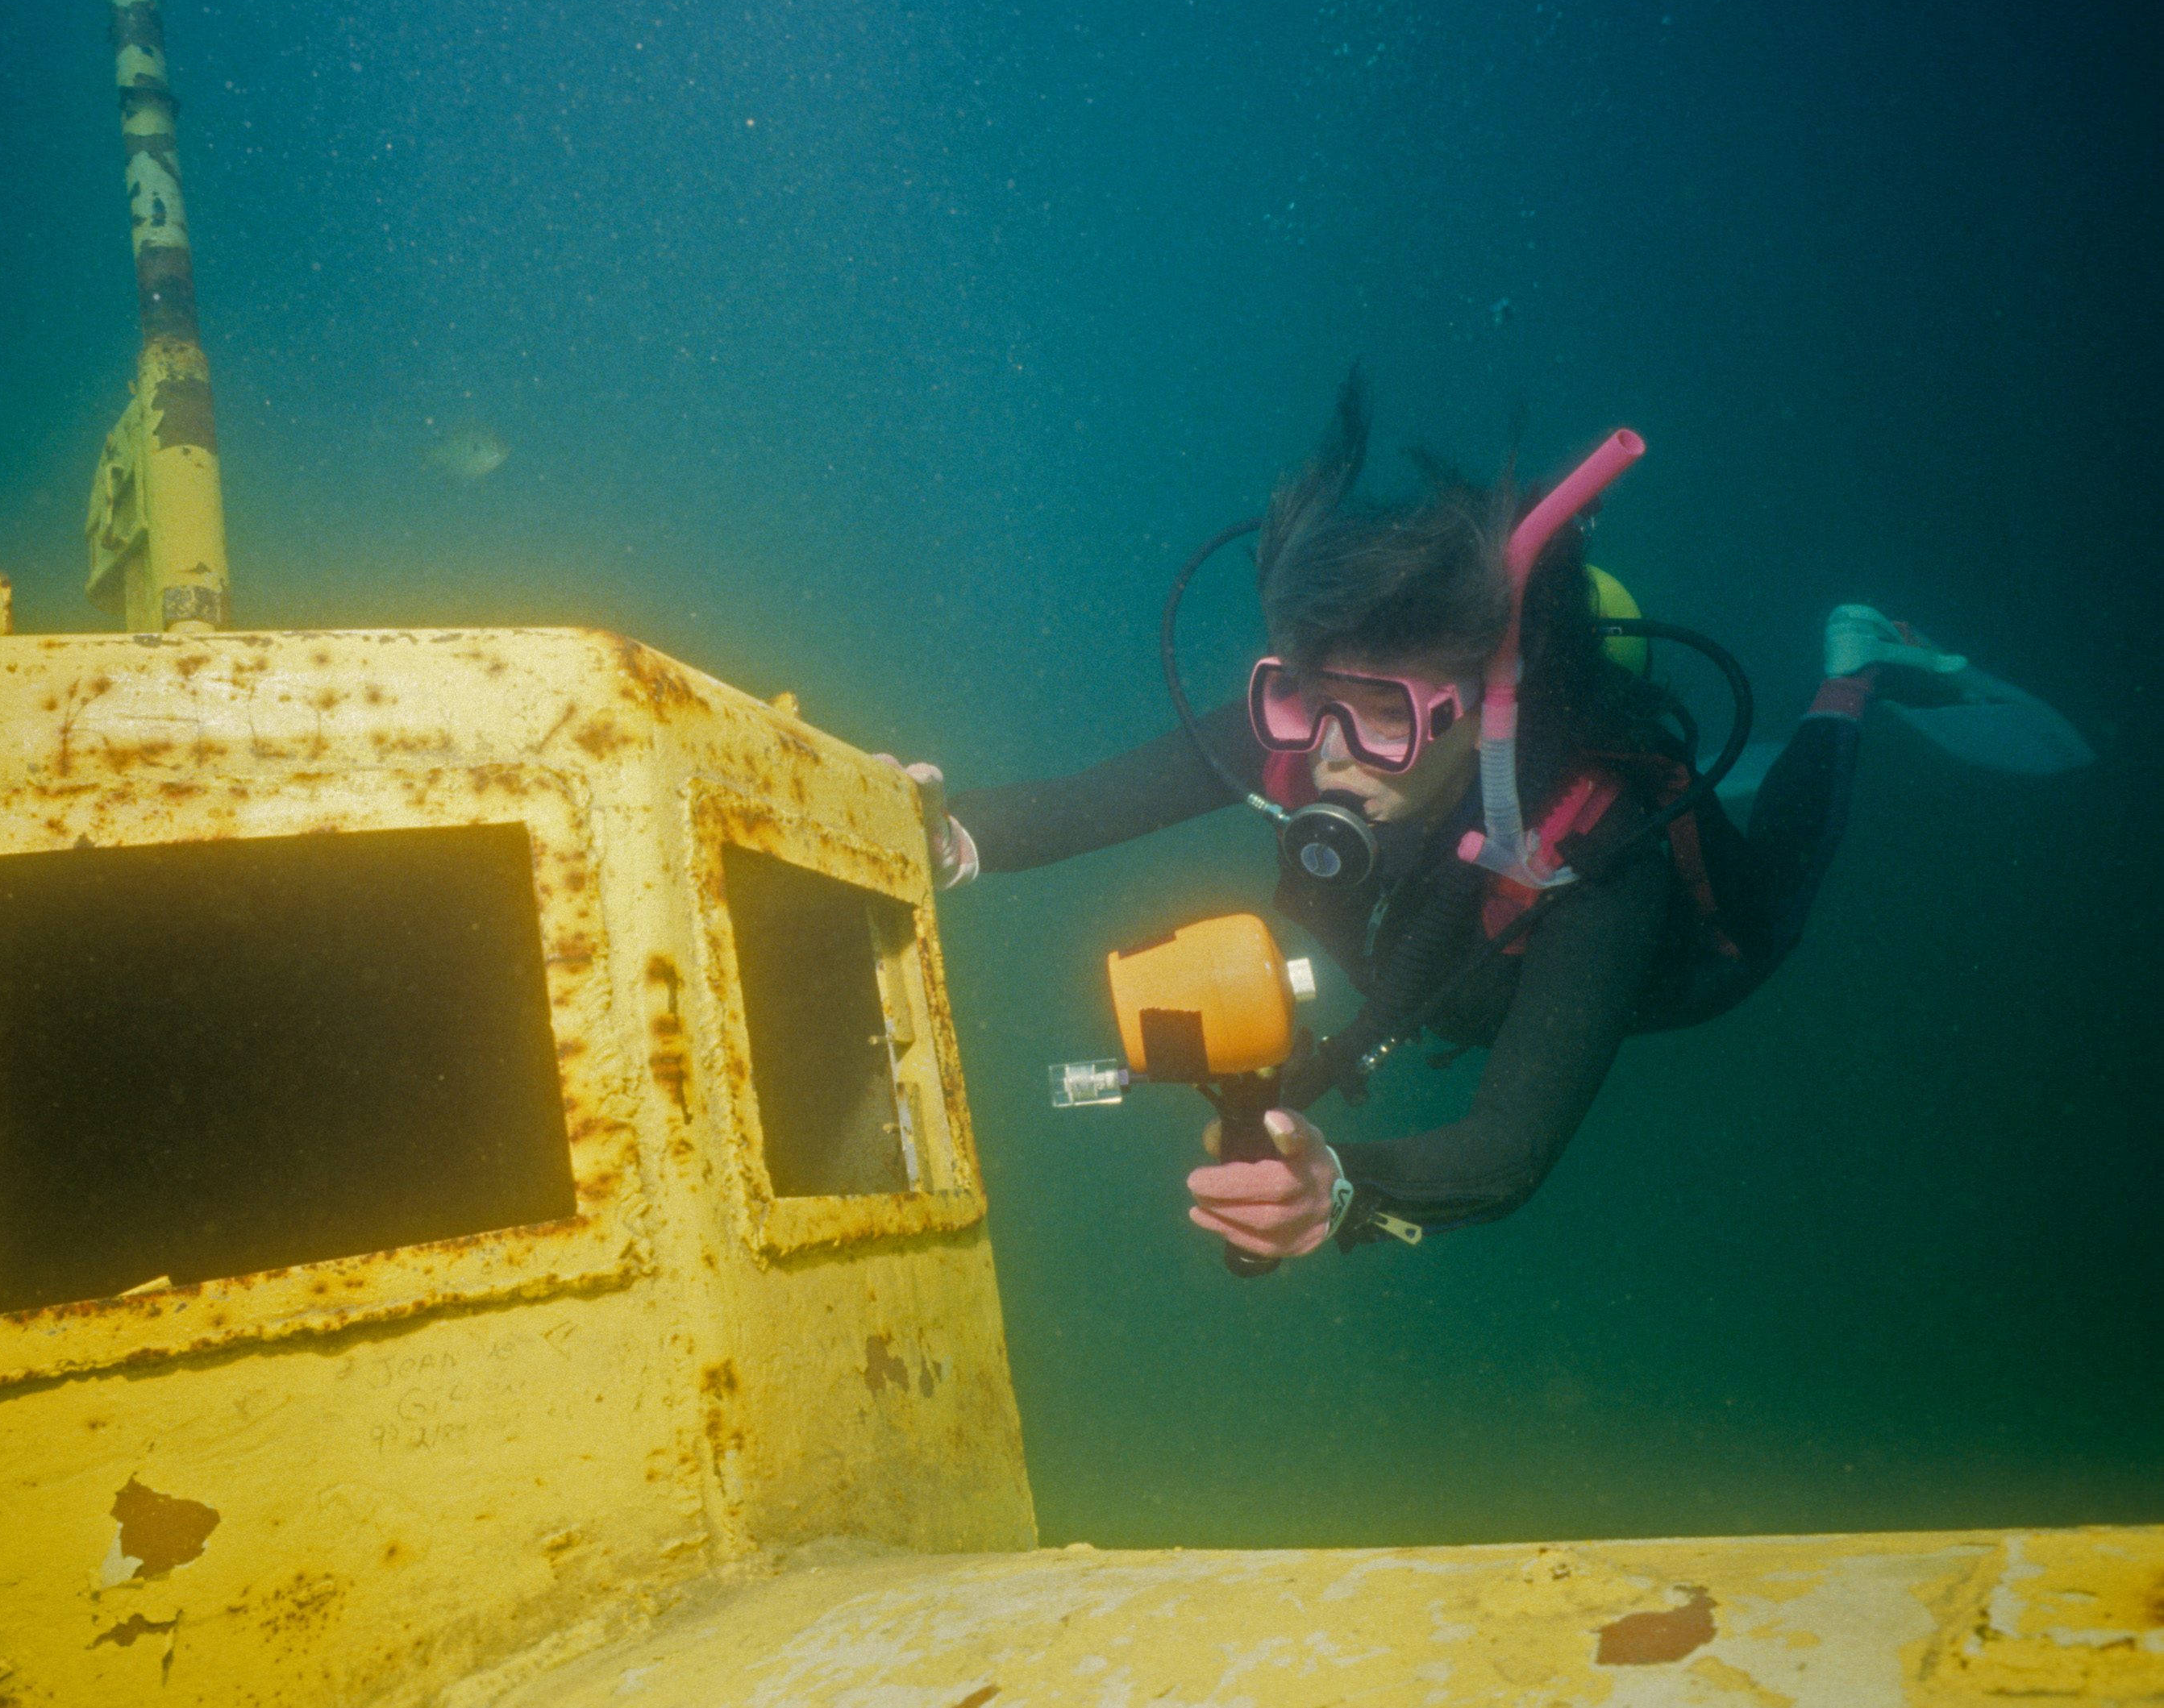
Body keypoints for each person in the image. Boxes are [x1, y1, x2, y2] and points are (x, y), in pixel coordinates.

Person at [890, 372, 2091, 1261]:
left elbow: (1508, 1146)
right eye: (1305, 699)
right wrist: (941, 832)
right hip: (1440, 958)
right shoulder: (1302, 717)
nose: (1331, 751)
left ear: (1480, 711)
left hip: (1703, 956)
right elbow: (1080, 803)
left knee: (1781, 868)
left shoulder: (1594, 844)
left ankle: (1852, 671)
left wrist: (1341, 1190)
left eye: (1389, 719)